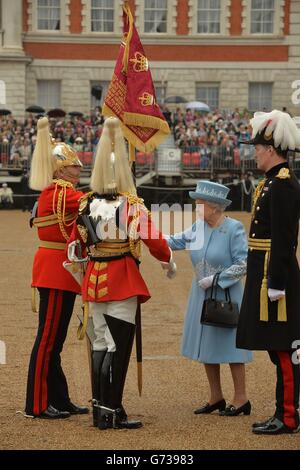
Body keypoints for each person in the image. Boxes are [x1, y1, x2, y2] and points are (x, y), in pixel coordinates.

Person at [67, 117, 176, 430]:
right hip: (121, 278)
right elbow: (154, 240)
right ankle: (112, 410)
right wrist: (168, 259)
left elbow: (75, 247)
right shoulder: (131, 205)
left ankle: (101, 410)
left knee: (100, 344)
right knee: (118, 347)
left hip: (95, 279)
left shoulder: (85, 204)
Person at [236, 110, 300, 435]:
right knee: (278, 348)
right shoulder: (273, 183)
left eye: (258, 148)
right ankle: (282, 412)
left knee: (285, 347)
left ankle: (288, 416)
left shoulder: (284, 185)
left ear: (271, 149)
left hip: (274, 279)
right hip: (264, 272)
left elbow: (284, 239)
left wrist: (276, 282)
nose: (255, 154)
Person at [167, 181, 252, 416]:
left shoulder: (233, 228)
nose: (196, 208)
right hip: (201, 294)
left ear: (215, 207)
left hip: (227, 294)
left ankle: (241, 398)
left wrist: (217, 279)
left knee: (233, 347)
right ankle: (216, 397)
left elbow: (243, 263)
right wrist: (147, 233)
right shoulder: (197, 228)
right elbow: (174, 241)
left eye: (200, 204)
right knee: (207, 346)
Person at [24, 117, 89, 419]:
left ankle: (59, 399)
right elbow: (91, 202)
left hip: (60, 271)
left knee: (55, 341)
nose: (79, 170)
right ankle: (36, 404)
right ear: (61, 169)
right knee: (47, 340)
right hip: (55, 271)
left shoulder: (57, 191)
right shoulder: (61, 191)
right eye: (75, 166)